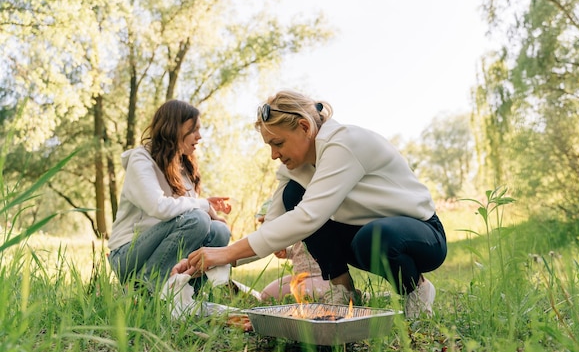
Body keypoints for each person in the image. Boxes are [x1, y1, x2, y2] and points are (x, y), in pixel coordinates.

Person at [172, 90, 447, 318]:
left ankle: (417, 291)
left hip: (420, 234)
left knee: (372, 237)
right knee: (294, 194)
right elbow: (275, 227)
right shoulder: (294, 169)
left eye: (277, 143)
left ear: (304, 126)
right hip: (362, 233)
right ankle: (345, 292)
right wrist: (212, 260)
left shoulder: (344, 144)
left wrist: (227, 253)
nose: (273, 154)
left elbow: (308, 217)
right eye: (269, 145)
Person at [108, 100, 232, 293]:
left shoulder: (184, 167)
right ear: (173, 129)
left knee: (220, 231)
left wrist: (210, 211)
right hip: (128, 254)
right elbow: (159, 207)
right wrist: (203, 206)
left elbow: (188, 210)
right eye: (193, 130)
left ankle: (187, 295)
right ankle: (143, 291)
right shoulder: (140, 159)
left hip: (162, 251)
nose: (199, 137)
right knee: (197, 220)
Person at [256, 201, 330, 302]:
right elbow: (301, 250)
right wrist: (287, 252)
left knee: (303, 292)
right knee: (266, 296)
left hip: (320, 275)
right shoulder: (296, 232)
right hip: (298, 277)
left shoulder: (314, 222)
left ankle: (334, 290)